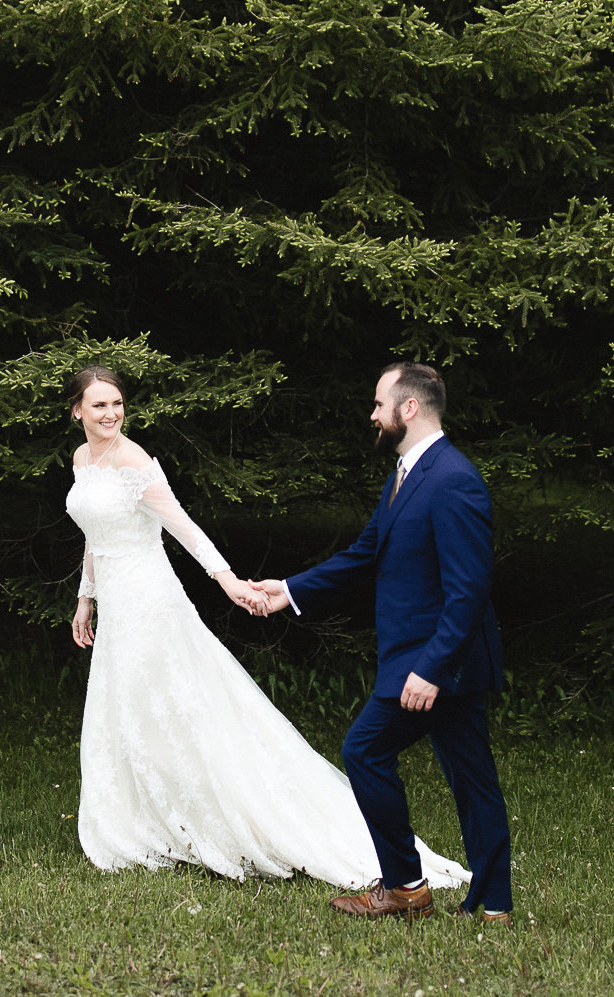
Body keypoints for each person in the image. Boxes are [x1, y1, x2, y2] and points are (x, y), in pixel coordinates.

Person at [64, 364, 468, 890]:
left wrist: (229, 581)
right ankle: (151, 817)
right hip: (115, 602)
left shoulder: (134, 459)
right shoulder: (82, 458)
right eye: (99, 405)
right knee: (129, 708)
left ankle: (222, 816)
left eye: (117, 403)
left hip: (150, 600)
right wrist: (85, 598)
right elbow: (96, 534)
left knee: (179, 707)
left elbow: (182, 525)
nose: (111, 414)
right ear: (77, 411)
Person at [248, 361, 512, 924]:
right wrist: (289, 591)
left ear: (408, 408)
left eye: (378, 403)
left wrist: (432, 668)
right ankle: (490, 905)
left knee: (365, 751)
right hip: (430, 659)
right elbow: (366, 553)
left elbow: (468, 590)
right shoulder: (410, 472)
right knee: (473, 781)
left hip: (436, 662)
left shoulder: (452, 479)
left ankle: (407, 888)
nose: (372, 413)